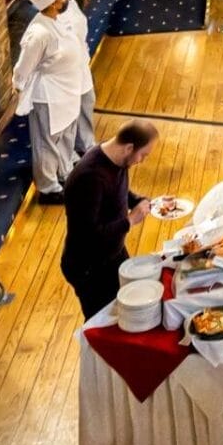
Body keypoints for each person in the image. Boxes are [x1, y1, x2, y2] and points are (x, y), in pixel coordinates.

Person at [14, 0, 97, 202]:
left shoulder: (57, 19)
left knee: (66, 136)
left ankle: (65, 174)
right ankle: (48, 188)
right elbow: (22, 69)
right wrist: (19, 88)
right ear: (51, 2)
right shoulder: (38, 33)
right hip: (48, 94)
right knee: (47, 143)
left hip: (67, 89)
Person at [61, 120, 157, 318]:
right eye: (143, 155)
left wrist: (142, 201)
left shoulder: (116, 159)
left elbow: (117, 192)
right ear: (129, 147)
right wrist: (130, 220)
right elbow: (89, 234)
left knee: (128, 309)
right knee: (104, 321)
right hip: (90, 267)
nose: (142, 160)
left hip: (113, 254)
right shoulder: (90, 178)